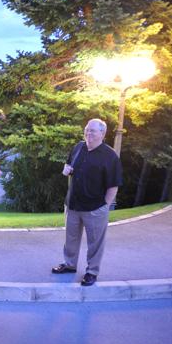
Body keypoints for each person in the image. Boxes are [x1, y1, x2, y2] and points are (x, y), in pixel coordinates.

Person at [52, 118, 122, 286]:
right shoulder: (78, 147)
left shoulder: (110, 156)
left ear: (102, 134)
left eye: (93, 131)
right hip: (73, 204)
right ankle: (69, 265)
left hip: (95, 208)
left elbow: (114, 185)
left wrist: (104, 205)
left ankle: (92, 271)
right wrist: (65, 169)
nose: (88, 133)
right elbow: (68, 165)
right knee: (71, 238)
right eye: (87, 130)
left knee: (95, 243)